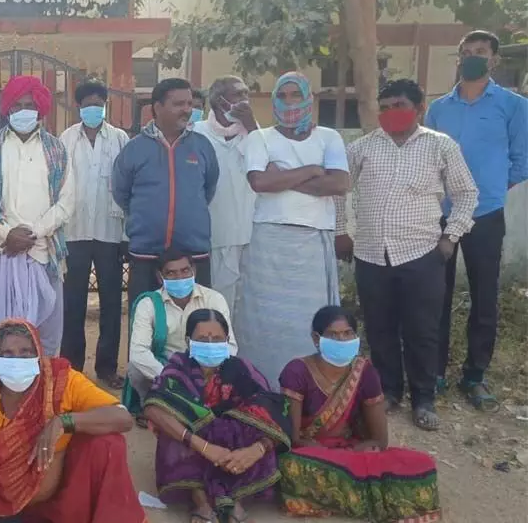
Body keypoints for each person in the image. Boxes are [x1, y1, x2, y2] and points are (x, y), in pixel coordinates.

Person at [335, 79, 478, 431]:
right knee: (380, 328)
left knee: (422, 331)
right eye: (384, 107)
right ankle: (389, 391)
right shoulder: (362, 148)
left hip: (422, 253)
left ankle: (424, 397)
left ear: (419, 107)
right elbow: (339, 191)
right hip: (370, 254)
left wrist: (451, 236)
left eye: (399, 104)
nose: (390, 113)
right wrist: (342, 231)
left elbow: (467, 193)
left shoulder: (440, 146)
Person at [0, 319, 146, 523]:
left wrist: (62, 422)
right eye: (7, 354)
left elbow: (122, 418)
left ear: (38, 355)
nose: (16, 361)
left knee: (107, 444)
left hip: (59, 504)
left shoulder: (60, 381)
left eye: (25, 353)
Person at [425, 30, 528, 411]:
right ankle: (433, 371)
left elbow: (522, 157)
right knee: (437, 293)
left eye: (480, 52)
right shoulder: (439, 109)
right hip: (442, 213)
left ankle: (475, 375)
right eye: (465, 52)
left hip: (485, 213)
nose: (471, 57)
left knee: (485, 295)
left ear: (494, 60)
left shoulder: (513, 106)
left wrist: (493, 189)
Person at [237, 71, 350, 386]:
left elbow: (340, 183)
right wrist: (312, 171)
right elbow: (259, 182)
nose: (289, 102)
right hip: (268, 243)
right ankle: (262, 386)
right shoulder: (260, 138)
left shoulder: (329, 137)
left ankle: (307, 386)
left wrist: (284, 176)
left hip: (312, 242)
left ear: (308, 98)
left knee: (308, 322)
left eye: (295, 95)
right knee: (264, 322)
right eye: (282, 95)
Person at [278, 306, 441, 522]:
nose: (342, 340)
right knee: (291, 464)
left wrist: (354, 452)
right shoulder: (297, 371)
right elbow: (294, 438)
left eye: (348, 334)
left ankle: (349, 491)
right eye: (333, 335)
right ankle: (369, 494)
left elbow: (380, 440)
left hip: (350, 451)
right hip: (311, 454)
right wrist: (331, 455)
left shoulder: (364, 371)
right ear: (316, 339)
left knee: (422, 463)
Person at [144, 309, 291, 523]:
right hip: (197, 448)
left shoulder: (240, 369)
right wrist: (206, 447)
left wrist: (255, 450)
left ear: (227, 340)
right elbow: (153, 408)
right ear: (188, 341)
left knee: (261, 430)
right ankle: (201, 502)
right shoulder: (178, 368)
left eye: (217, 339)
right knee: (173, 433)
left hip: (237, 453)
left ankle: (238, 503)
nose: (211, 344)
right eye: (203, 339)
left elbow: (274, 412)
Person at [0, 75, 75, 356]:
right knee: (4, 330)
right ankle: (6, 390)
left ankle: (44, 394)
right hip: (5, 250)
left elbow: (67, 201)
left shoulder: (56, 149)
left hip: (45, 251)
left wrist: (33, 234)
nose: (23, 111)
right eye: (17, 105)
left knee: (48, 332)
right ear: (7, 108)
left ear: (40, 108)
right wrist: (8, 234)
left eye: (29, 104)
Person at [113, 77, 219, 319]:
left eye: (189, 103)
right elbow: (121, 192)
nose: (187, 109)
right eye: (178, 103)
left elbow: (208, 188)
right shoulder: (135, 148)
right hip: (146, 254)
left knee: (197, 322)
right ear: (157, 108)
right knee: (145, 322)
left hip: (194, 254)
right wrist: (148, 216)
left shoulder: (202, 146)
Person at [59, 79, 130, 388]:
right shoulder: (66, 139)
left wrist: (126, 235)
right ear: (79, 107)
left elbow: (126, 187)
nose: (93, 109)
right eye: (87, 104)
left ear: (105, 106)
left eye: (98, 104)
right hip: (73, 231)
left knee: (111, 303)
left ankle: (106, 367)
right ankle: (71, 367)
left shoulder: (119, 139)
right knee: (72, 303)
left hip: (110, 231)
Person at [124, 249, 237, 414]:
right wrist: (173, 377)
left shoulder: (213, 299)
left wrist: (207, 372)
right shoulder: (149, 304)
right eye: (171, 273)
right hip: (166, 369)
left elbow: (231, 345)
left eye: (185, 271)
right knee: (135, 368)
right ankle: (148, 404)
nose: (179, 278)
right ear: (160, 276)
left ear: (194, 271)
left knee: (233, 368)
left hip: (205, 366)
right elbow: (138, 352)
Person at [192, 76, 259, 315]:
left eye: (246, 94)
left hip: (249, 235)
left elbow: (268, 165)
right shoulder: (196, 133)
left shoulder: (255, 134)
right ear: (220, 101)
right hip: (212, 234)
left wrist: (252, 127)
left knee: (246, 307)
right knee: (215, 305)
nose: (244, 100)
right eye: (238, 95)